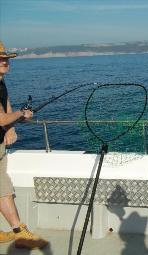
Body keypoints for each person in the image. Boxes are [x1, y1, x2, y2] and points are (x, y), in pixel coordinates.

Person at [0, 40, 49, 250]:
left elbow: (5, 103)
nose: (5, 62)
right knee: (3, 188)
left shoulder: (0, 82)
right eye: (1, 59)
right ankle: (20, 232)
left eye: (6, 59)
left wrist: (12, 126)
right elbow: (1, 118)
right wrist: (21, 114)